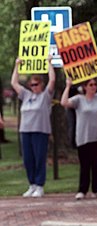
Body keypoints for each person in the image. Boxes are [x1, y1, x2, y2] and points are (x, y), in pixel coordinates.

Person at [61, 66, 97, 200]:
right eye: (91, 84)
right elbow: (64, 102)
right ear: (85, 87)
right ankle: (82, 190)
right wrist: (67, 86)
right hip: (84, 138)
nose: (94, 86)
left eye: (95, 84)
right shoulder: (78, 99)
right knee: (85, 165)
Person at [11, 56, 56, 198]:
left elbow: (53, 80)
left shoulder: (45, 96)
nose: (34, 87)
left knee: (39, 158)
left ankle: (39, 185)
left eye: (36, 84)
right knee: (28, 159)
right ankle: (31, 185)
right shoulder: (26, 95)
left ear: (41, 85)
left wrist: (49, 63)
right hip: (25, 131)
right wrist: (17, 65)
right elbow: (14, 82)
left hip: (40, 131)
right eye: (32, 85)